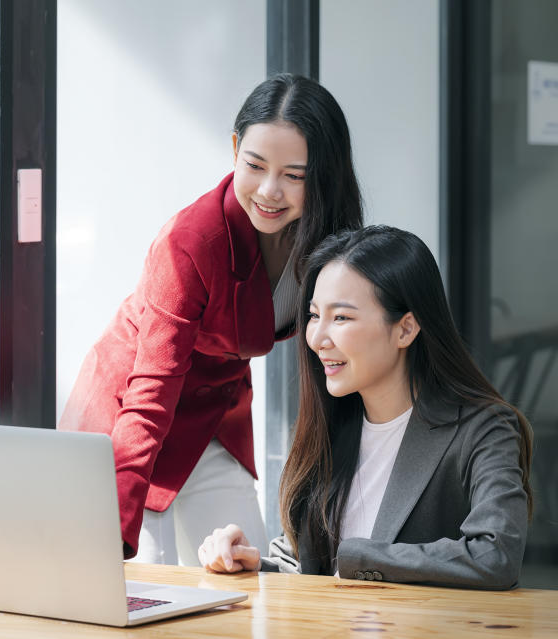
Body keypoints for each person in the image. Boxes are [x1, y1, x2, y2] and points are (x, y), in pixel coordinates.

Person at [58, 73, 363, 564]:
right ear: (236, 147)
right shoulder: (191, 241)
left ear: (323, 174)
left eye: (294, 175)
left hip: (214, 417)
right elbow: (151, 390)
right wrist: (110, 529)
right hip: (134, 415)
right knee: (141, 584)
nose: (269, 190)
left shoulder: (329, 239)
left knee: (247, 577)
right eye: (255, 165)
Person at [198, 226, 533, 589]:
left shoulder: (483, 430)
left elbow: (495, 557)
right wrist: (253, 564)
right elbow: (305, 565)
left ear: (405, 329)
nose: (317, 338)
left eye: (340, 317)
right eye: (314, 315)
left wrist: (361, 558)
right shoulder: (333, 422)